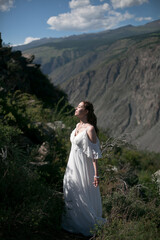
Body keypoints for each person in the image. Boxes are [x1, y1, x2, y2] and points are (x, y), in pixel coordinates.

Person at [61, 101, 106, 236]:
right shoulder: (77, 126)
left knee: (83, 192)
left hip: (84, 167)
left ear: (86, 111)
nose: (76, 108)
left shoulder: (90, 129)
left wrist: (96, 175)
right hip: (72, 164)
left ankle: (88, 225)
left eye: (79, 107)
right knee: (71, 190)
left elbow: (94, 154)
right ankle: (74, 223)